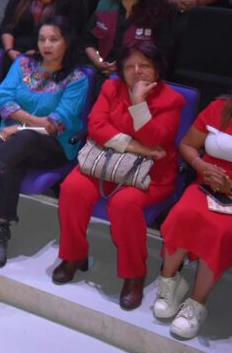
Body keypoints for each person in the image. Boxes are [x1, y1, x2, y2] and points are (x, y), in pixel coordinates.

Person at [0, 16, 89, 266]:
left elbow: (55, 124)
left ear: (67, 42)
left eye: (54, 39)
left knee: (24, 139)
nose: (46, 45)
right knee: (13, 158)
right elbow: (4, 99)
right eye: (42, 39)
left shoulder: (77, 79)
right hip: (12, 140)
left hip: (53, 145)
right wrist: (28, 122)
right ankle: (1, 228)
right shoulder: (23, 64)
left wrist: (20, 126)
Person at [54, 44, 184, 310]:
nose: (137, 71)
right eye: (129, 66)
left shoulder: (171, 100)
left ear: (157, 69)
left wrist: (138, 103)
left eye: (144, 65)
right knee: (72, 187)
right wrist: (139, 148)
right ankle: (74, 255)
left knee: (124, 204)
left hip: (150, 175)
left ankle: (134, 274)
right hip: (104, 165)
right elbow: (97, 126)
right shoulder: (111, 87)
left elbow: (156, 138)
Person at [155, 63, 232, 339]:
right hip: (208, 185)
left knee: (221, 230)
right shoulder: (218, 109)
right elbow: (187, 145)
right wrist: (201, 165)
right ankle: (170, 283)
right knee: (182, 214)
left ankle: (197, 304)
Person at [84, 0, 172, 77]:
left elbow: (163, 54)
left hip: (137, 74)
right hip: (100, 69)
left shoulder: (159, 12)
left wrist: (126, 68)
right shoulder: (106, 3)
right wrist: (99, 62)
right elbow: (87, 40)